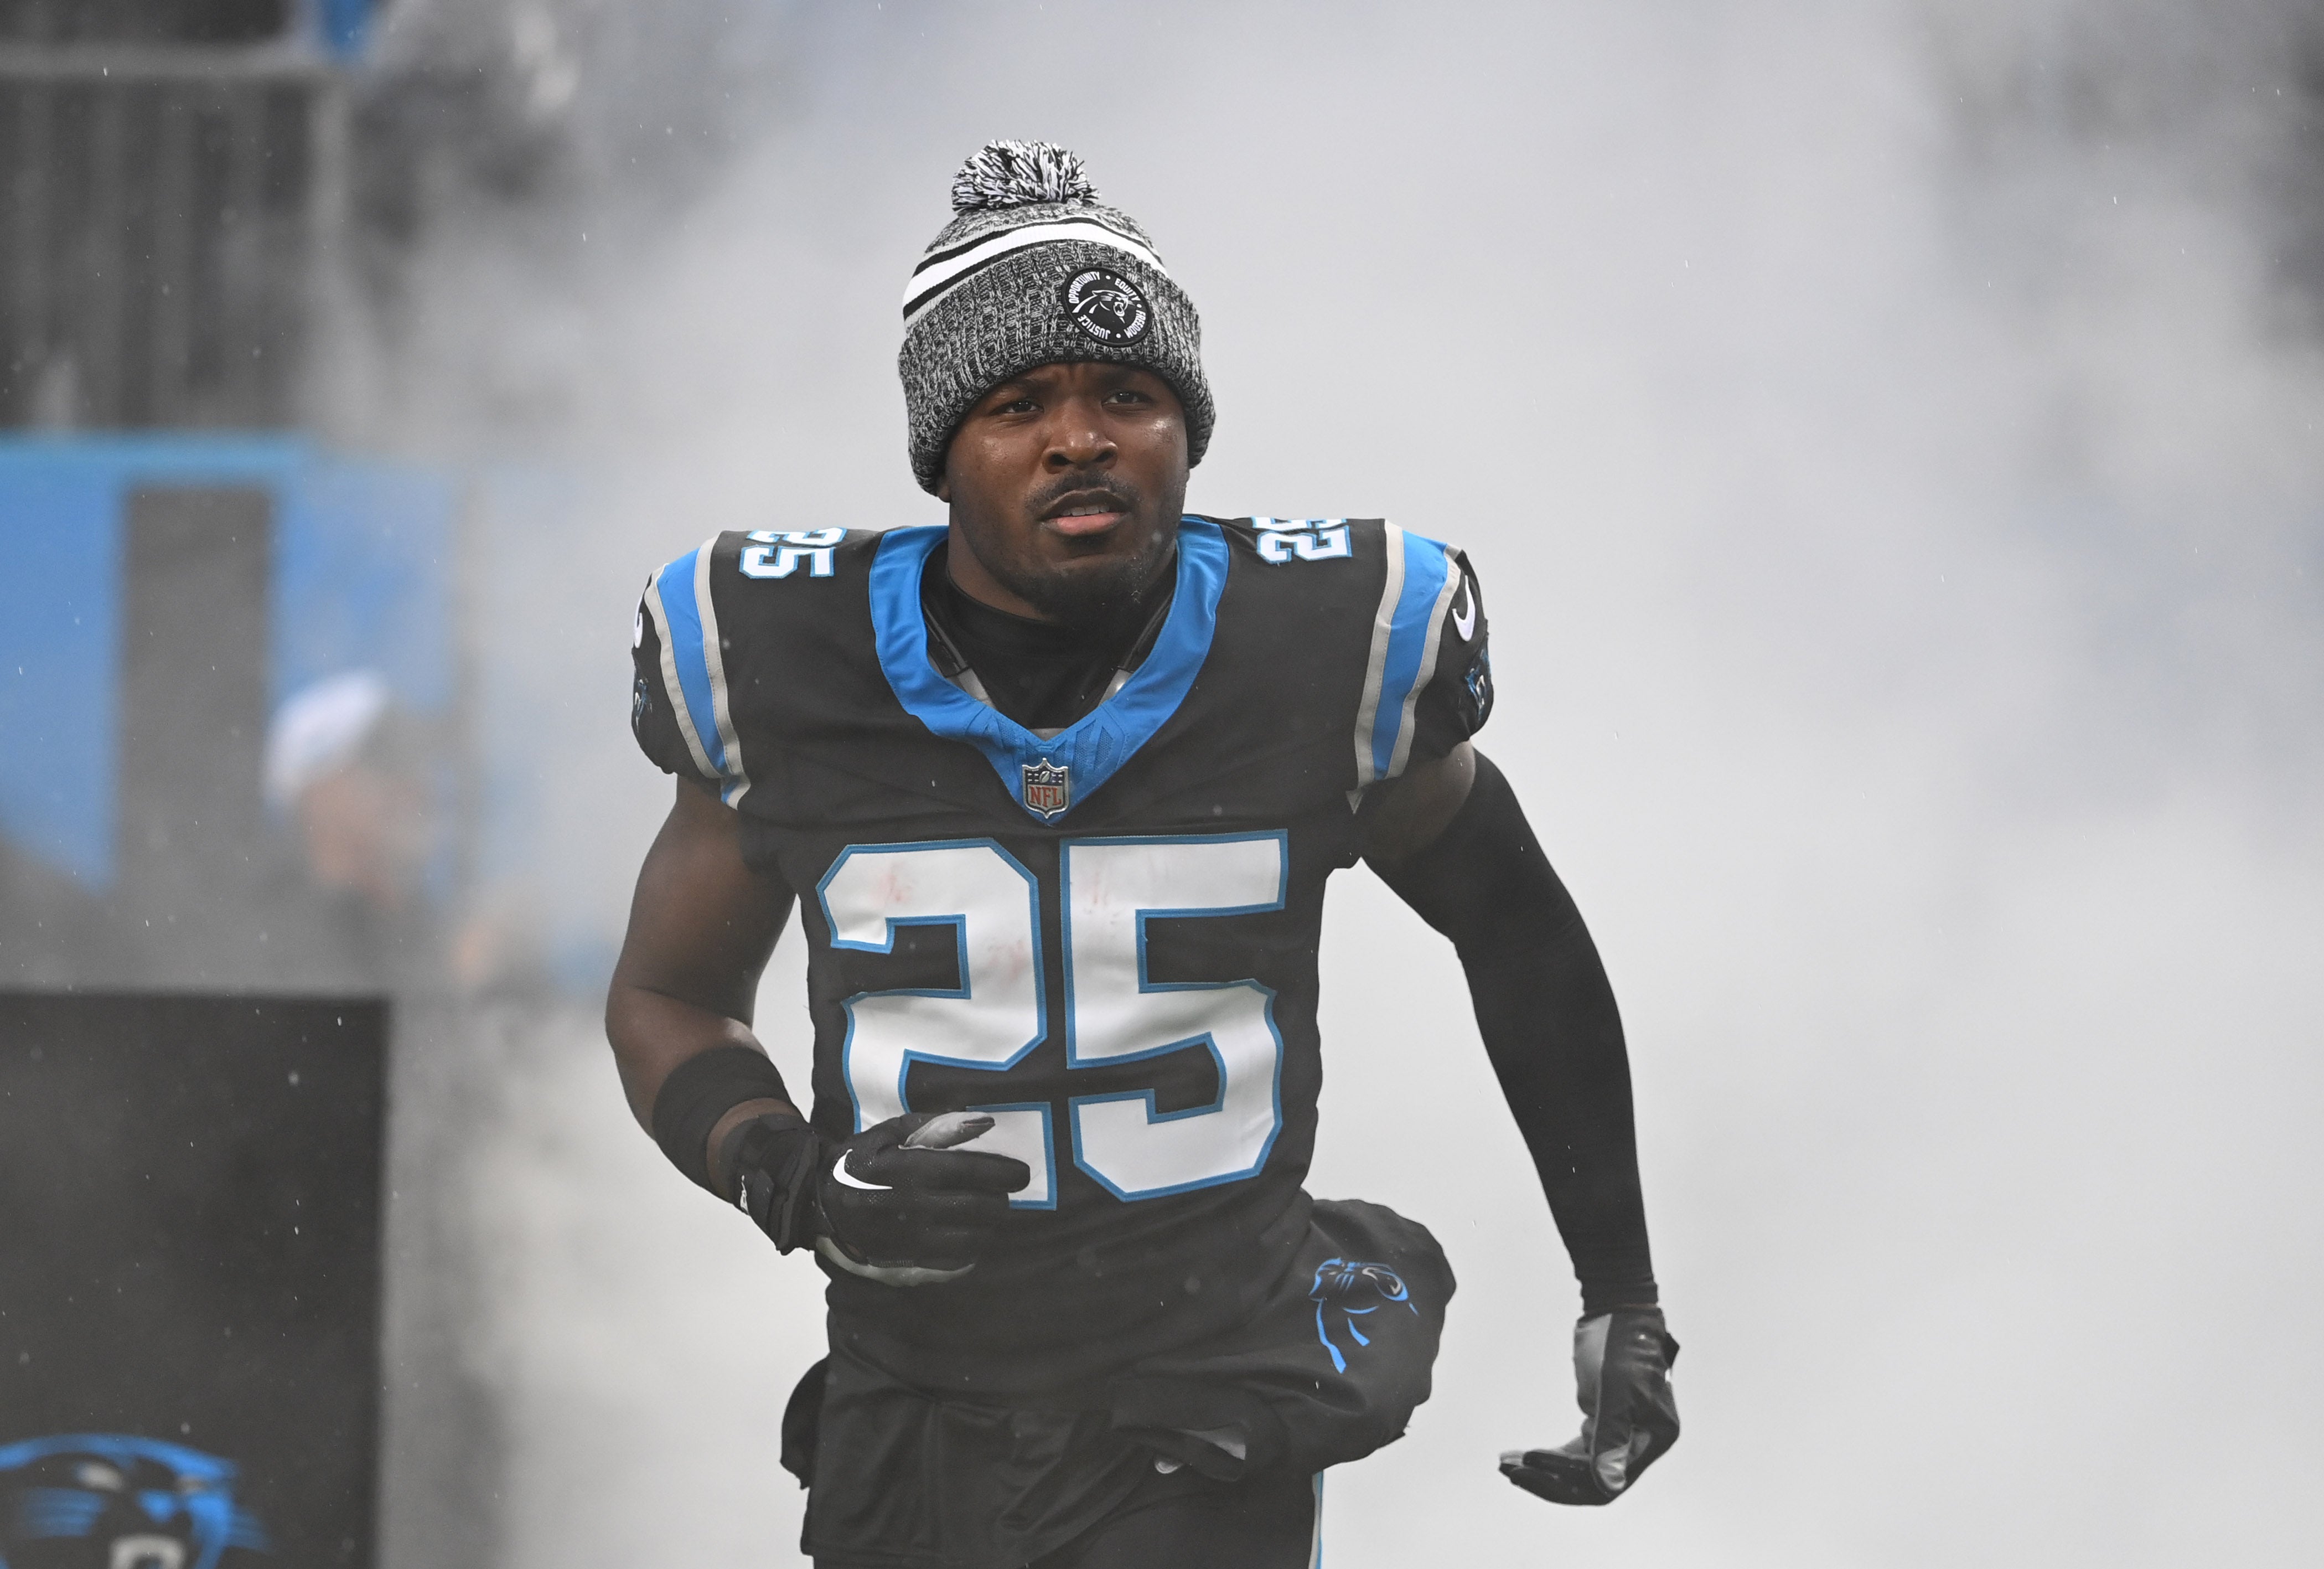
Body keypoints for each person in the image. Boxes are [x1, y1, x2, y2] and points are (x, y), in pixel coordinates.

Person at [607, 141, 1679, 1568]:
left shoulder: (1325, 646)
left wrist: (1621, 1288)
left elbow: (1521, 932)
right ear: (942, 449)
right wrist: (790, 1177)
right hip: (911, 1407)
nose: (1081, 437)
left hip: (1206, 1394)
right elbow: (668, 996)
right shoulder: (782, 662)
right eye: (1017, 403)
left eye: (1130, 394)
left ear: (1187, 429)